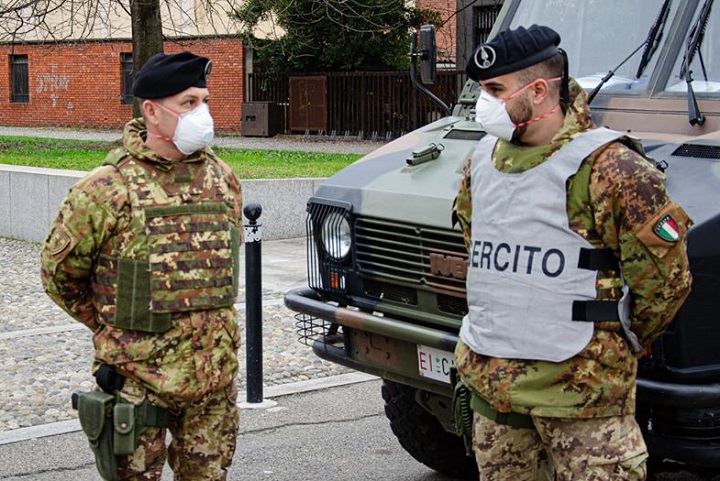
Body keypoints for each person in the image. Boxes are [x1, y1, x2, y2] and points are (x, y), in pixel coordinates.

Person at [453, 25, 692, 481]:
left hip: (582, 399)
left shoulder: (613, 169)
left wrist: (611, 343)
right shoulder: (480, 161)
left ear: (539, 90)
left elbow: (665, 284)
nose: (484, 103)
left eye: (494, 90)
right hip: (494, 393)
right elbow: (478, 250)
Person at [41, 51, 242, 481]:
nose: (202, 114)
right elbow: (59, 275)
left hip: (212, 384)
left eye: (204, 101)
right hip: (138, 384)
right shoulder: (106, 188)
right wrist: (113, 328)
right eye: (189, 103)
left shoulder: (223, 179)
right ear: (151, 111)